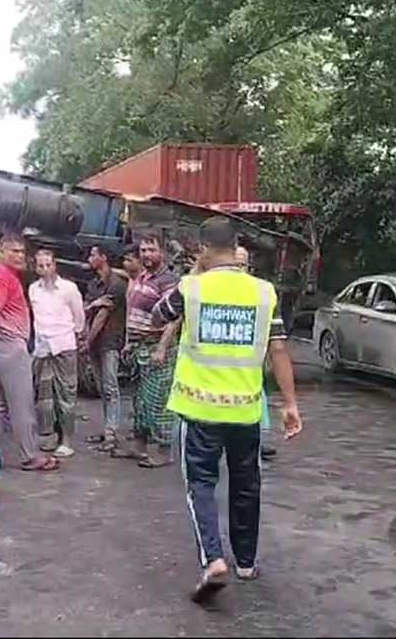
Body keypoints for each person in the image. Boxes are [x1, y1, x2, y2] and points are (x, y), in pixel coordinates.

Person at [152, 216, 303, 603]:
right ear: (236, 247)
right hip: (245, 412)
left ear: (202, 249)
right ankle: (247, 562)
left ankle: (214, 559)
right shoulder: (265, 293)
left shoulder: (191, 289)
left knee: (200, 484)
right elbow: (279, 348)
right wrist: (289, 404)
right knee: (246, 484)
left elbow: (157, 316)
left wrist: (194, 276)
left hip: (198, 409)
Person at [0, 232, 59, 472]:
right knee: (22, 403)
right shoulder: (3, 277)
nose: (20, 256)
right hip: (10, 345)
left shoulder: (7, 276)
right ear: (2, 252)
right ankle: (30, 455)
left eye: (22, 251)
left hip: (1, 345)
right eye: (14, 251)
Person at [113, 233, 179, 468]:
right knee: (140, 401)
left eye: (151, 250)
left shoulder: (168, 280)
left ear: (162, 252)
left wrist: (162, 348)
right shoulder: (142, 276)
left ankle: (164, 449)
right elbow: (135, 313)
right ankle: (139, 445)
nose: (146, 255)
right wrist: (130, 342)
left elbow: (174, 319)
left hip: (156, 348)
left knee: (157, 402)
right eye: (143, 250)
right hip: (139, 346)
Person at [29, 249, 85, 458]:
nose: (45, 270)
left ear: (55, 265)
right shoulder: (33, 290)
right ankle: (49, 436)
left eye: (48, 265)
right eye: (40, 266)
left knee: (66, 394)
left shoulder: (68, 289)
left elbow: (79, 317)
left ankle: (67, 440)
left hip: (64, 345)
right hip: (43, 348)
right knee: (44, 396)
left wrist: (76, 334)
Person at [233, 245, 278, 460]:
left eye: (243, 264)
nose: (239, 268)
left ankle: (257, 439)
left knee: (256, 397)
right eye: (236, 264)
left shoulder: (259, 291)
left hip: (251, 360)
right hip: (224, 361)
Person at [82, 244, 127, 453]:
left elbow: (101, 316)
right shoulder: (94, 284)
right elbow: (87, 309)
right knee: (102, 388)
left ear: (103, 257)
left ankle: (111, 433)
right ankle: (107, 429)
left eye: (93, 254)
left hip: (109, 341)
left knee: (110, 387)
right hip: (97, 341)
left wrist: (86, 342)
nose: (90, 258)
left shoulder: (115, 284)